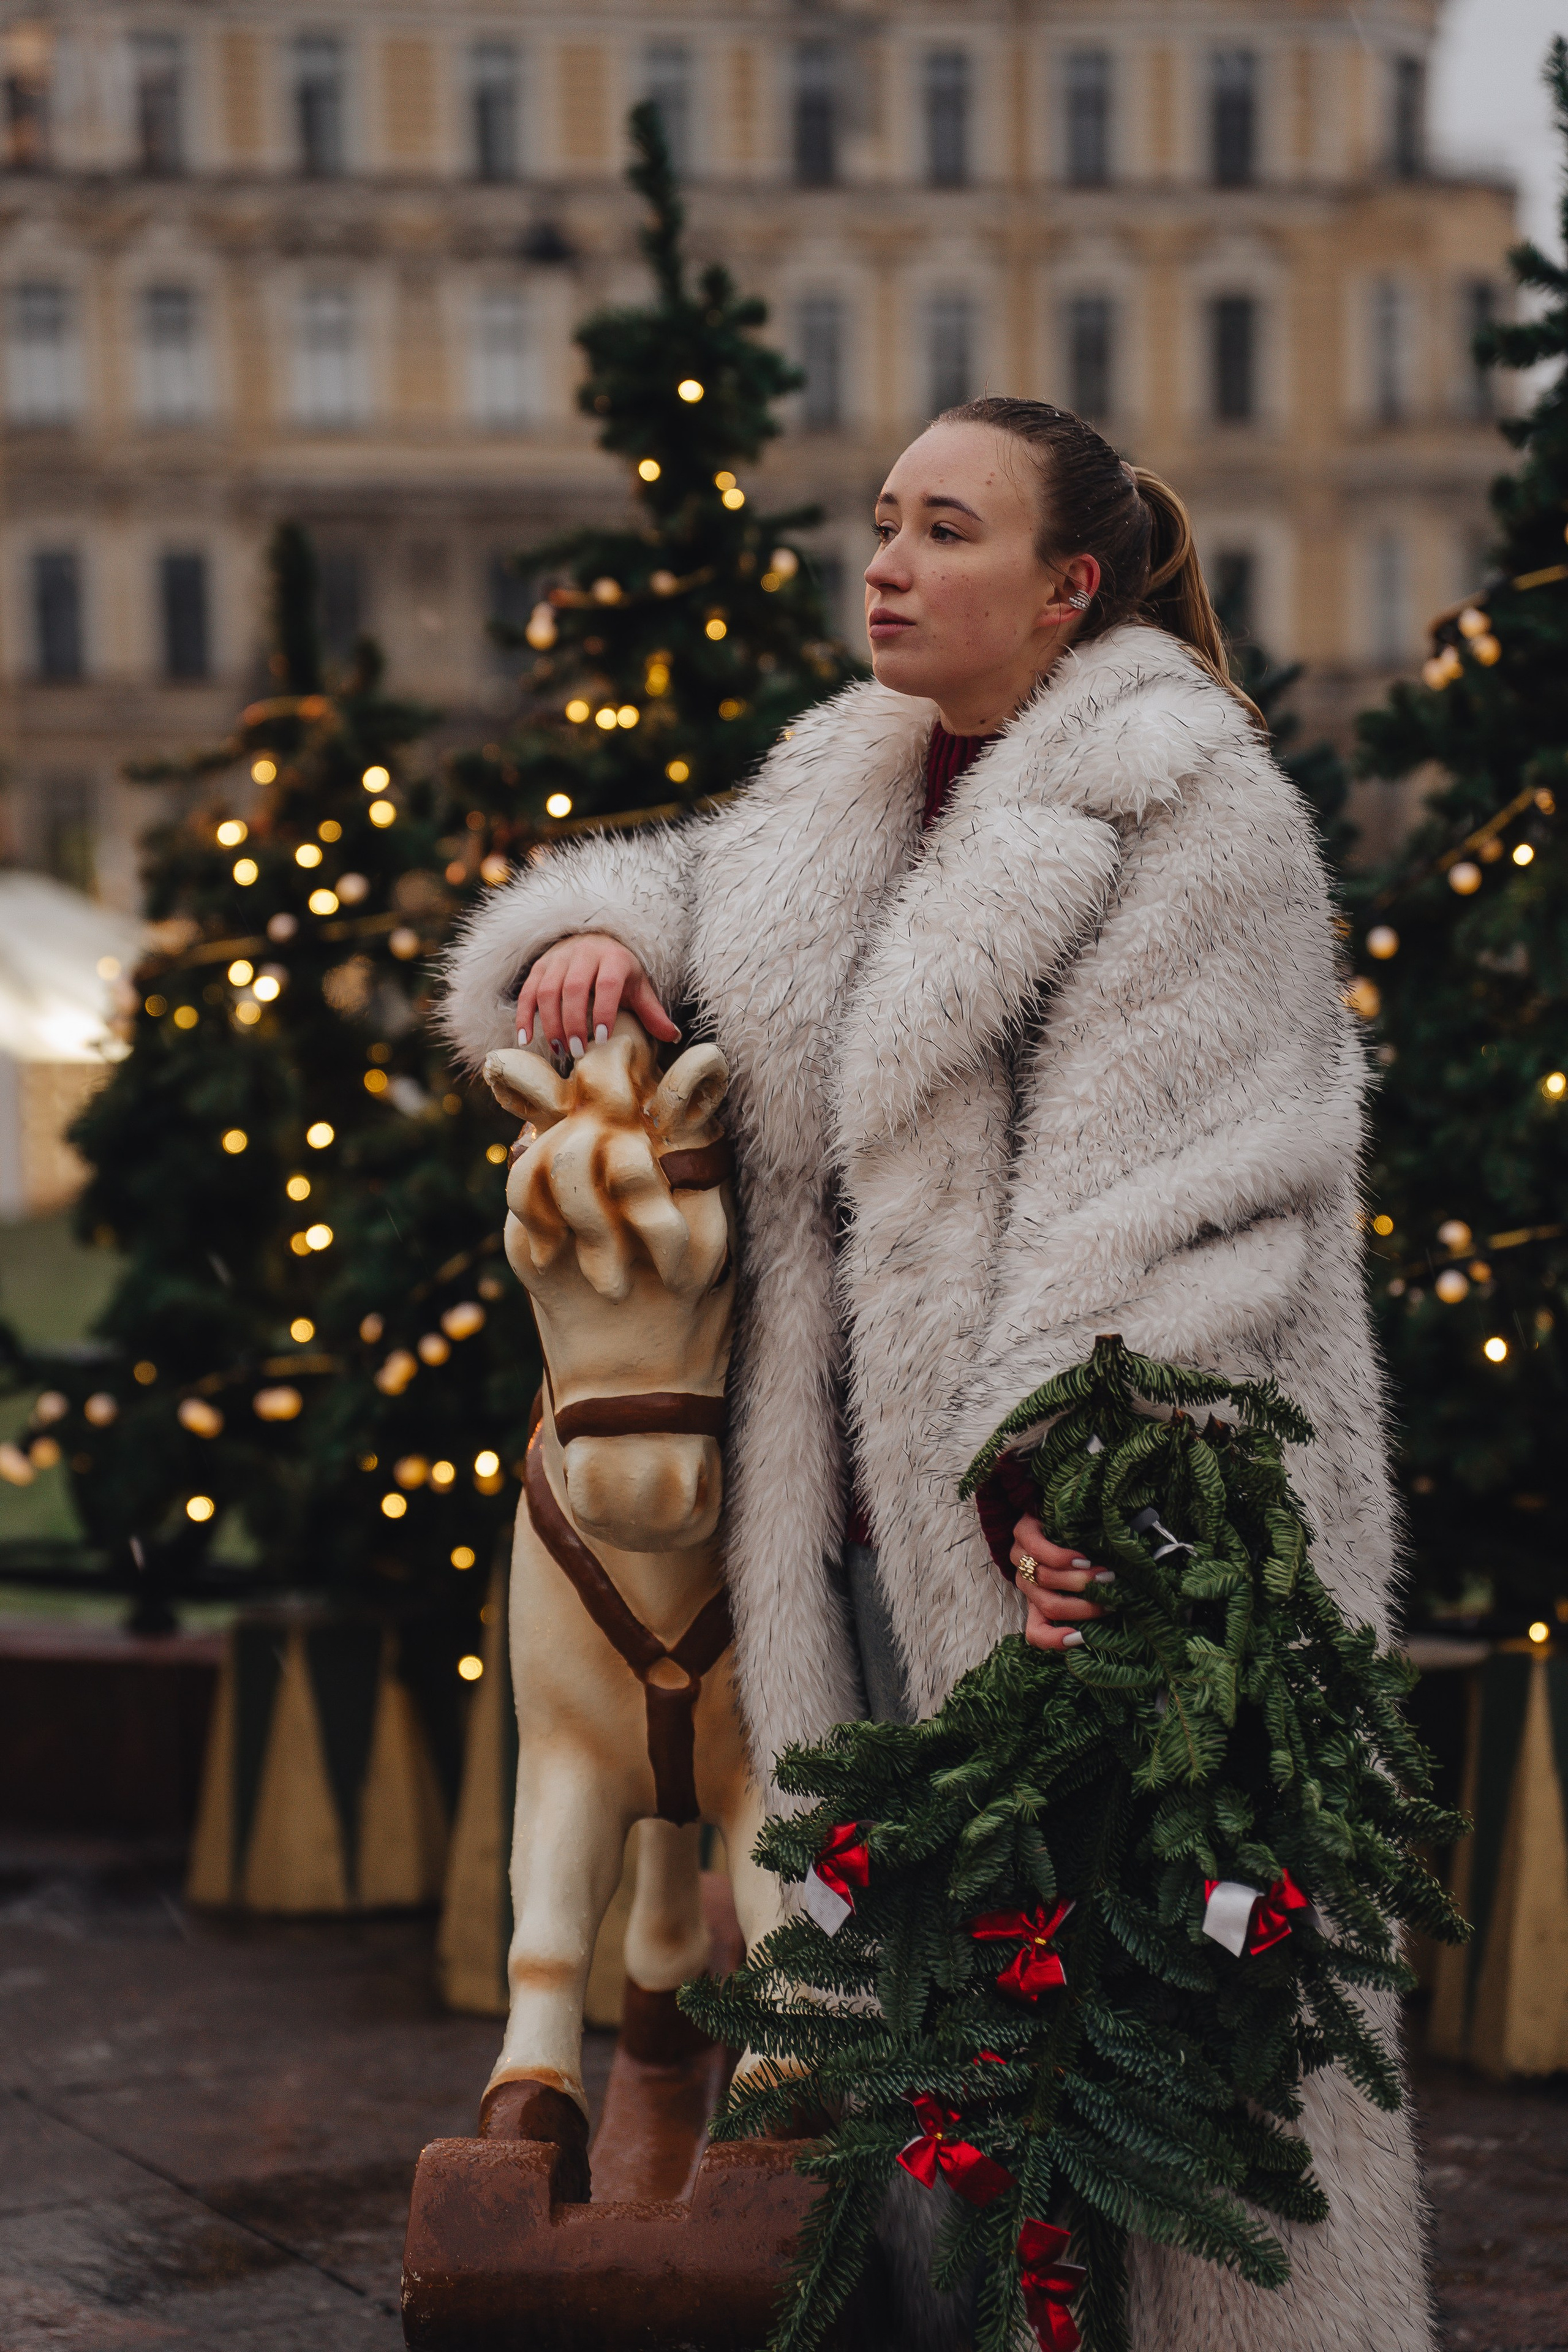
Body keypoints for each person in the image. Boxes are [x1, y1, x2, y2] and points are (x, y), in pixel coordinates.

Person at [445, 398, 1430, 2352]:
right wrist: (587, 939)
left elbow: (1188, 1204)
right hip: (853, 1532)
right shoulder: (847, 777)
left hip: (1109, 1538)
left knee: (1130, 2097)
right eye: (886, 520)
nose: (886, 564)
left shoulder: (1196, 810)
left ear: (1072, 588)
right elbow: (695, 903)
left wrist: (1079, 1475)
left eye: (946, 531)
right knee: (902, 2051)